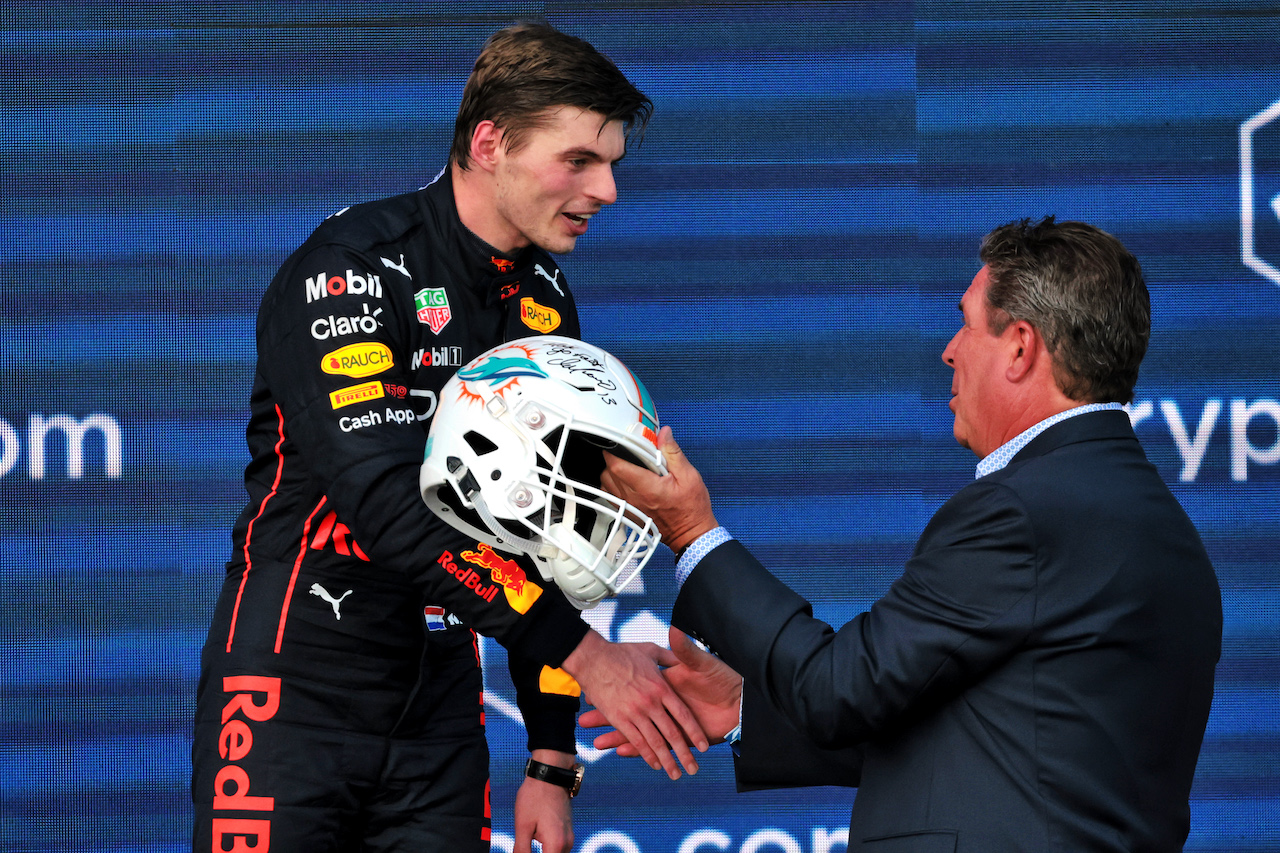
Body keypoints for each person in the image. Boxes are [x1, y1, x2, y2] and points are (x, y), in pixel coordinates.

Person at [192, 22, 706, 853]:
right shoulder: (349, 267)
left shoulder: (541, 295)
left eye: (611, 162)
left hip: (439, 699)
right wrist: (590, 657)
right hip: (295, 681)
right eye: (579, 160)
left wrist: (549, 756)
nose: (607, 189)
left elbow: (547, 534)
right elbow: (383, 501)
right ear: (490, 142)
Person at [586, 217, 1223, 852]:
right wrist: (745, 711)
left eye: (967, 322)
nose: (949, 350)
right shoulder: (1158, 524)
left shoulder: (1024, 509)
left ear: (1021, 347)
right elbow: (998, 748)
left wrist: (692, 532)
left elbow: (838, 689)